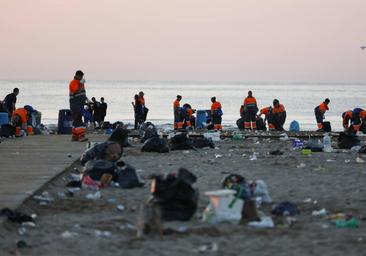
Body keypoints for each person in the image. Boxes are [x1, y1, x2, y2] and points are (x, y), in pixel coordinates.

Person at [69, 70, 88, 141]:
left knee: (76, 120)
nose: (81, 78)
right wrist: (80, 84)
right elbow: (75, 91)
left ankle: (74, 136)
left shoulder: (81, 83)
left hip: (80, 104)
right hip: (75, 104)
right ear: (77, 75)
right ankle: (81, 136)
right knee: (78, 120)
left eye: (82, 76)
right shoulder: (73, 82)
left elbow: (82, 93)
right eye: (80, 76)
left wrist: (87, 100)